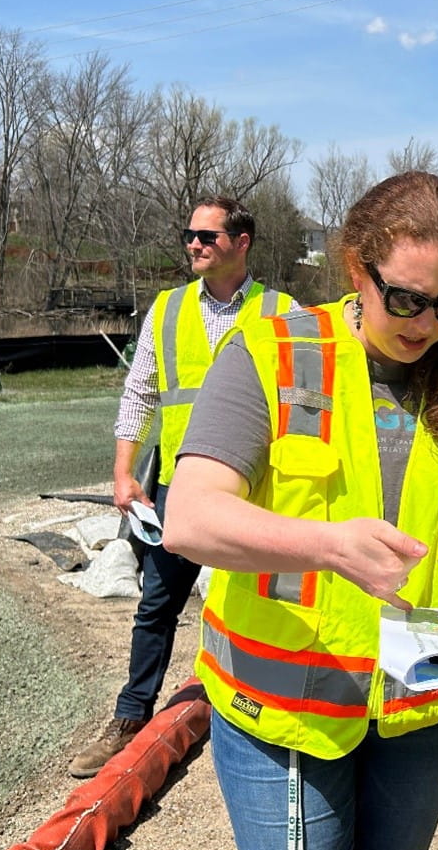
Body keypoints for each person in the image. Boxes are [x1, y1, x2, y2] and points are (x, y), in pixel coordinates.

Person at [162, 171, 438, 850]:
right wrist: (329, 546)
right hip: (287, 712)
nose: (428, 324)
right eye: (406, 298)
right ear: (355, 267)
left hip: (421, 707)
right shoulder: (271, 354)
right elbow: (190, 517)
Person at [69, 194, 285, 778]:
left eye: (207, 236)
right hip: (179, 490)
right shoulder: (165, 311)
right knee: (157, 604)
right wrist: (123, 472)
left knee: (263, 601)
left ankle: (260, 712)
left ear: (241, 243)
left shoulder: (282, 311)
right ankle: (131, 716)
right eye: (188, 234)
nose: (193, 243)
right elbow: (139, 393)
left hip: (259, 488)